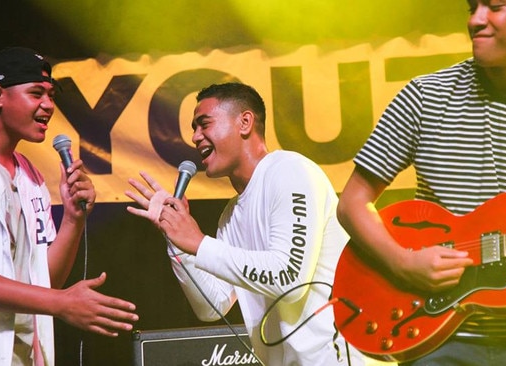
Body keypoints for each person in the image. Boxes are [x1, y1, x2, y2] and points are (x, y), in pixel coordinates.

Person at [336, 0, 506, 365]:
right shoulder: (424, 97)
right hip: (433, 328)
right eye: (472, 6)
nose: (475, 20)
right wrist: (401, 264)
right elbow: (352, 202)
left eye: (495, 6)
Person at [0, 47, 139, 366]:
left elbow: (45, 282)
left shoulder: (30, 175)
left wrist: (73, 220)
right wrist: (60, 303)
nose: (48, 105)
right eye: (36, 93)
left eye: (50, 95)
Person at [125, 82, 365, 365]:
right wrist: (177, 240)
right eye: (194, 128)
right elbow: (212, 306)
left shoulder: (288, 171)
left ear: (245, 122)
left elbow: (290, 279)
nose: (194, 137)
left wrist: (199, 243)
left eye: (204, 124)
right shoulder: (231, 215)